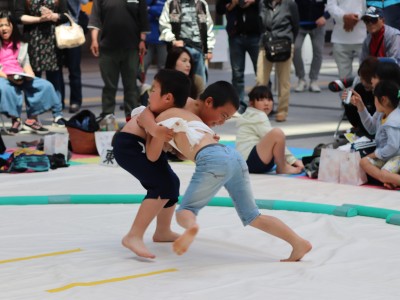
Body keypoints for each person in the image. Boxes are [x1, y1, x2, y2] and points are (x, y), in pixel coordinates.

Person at [151, 108, 312, 261]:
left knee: (185, 211)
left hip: (212, 158)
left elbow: (153, 155)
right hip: (233, 155)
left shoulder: (161, 119)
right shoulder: (191, 116)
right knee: (253, 216)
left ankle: (191, 226)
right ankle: (298, 242)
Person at [113, 69, 191, 259]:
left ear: (167, 98)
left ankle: (162, 231)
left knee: (172, 183)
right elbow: (152, 155)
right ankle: (134, 235)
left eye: (154, 89)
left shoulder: (172, 116)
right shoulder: (154, 115)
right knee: (161, 185)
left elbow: (177, 152)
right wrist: (157, 132)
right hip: (129, 146)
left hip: (138, 146)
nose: (150, 93)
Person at [0, 10, 63, 135]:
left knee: (45, 85)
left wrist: (30, 76)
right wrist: (8, 77)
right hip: (4, 76)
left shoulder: (21, 43)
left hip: (20, 75)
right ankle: (15, 120)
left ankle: (31, 120)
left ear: (13, 26)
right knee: (6, 88)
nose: (3, 28)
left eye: (6, 25)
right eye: (1, 25)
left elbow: (26, 63)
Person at [88, 0, 150, 122]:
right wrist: (94, 40)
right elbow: (95, 19)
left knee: (131, 86)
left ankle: (132, 117)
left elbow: (143, 19)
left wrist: (142, 40)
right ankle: (107, 116)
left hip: (132, 47)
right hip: (107, 48)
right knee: (109, 86)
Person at [14, 0, 68, 128]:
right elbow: (18, 17)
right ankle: (32, 116)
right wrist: (40, 19)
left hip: (53, 41)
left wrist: (53, 16)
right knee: (32, 79)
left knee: (55, 79)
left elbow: (65, 15)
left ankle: (57, 114)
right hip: (32, 40)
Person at [236, 85, 304, 174]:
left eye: (269, 99)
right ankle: (282, 167)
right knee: (277, 133)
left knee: (275, 138)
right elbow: (275, 138)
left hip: (247, 162)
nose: (266, 103)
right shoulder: (258, 115)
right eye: (261, 100)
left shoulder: (250, 114)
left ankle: (284, 165)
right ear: (251, 103)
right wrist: (293, 160)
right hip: (250, 162)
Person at [350, 80, 400, 188]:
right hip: (386, 154)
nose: (374, 102)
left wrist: (375, 154)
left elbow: (393, 146)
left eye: (375, 98)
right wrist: (360, 106)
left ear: (383, 100)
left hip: (397, 156)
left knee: (384, 173)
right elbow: (371, 128)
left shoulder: (393, 121)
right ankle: (389, 180)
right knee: (363, 162)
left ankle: (387, 178)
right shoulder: (382, 113)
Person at [257, 0, 299, 122]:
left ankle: (282, 110)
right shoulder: (262, 3)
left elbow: (295, 25)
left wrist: (289, 40)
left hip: (284, 44)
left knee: (284, 81)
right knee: (260, 79)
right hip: (266, 44)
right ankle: (260, 111)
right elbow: (260, 24)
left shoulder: (290, 4)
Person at [159, 0, 215, 85]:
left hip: (199, 49)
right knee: (179, 83)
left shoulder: (201, 3)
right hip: (181, 50)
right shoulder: (171, 3)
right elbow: (164, 25)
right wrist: (173, 41)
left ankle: (198, 98)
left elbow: (209, 26)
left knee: (200, 84)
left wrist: (209, 49)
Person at [216, 0, 260, 108]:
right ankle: (239, 105)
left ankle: (263, 101)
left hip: (255, 34)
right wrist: (234, 3)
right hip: (235, 36)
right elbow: (219, 9)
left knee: (261, 72)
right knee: (237, 74)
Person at [293, 0, 330, 93]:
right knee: (295, 49)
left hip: (318, 26)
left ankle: (314, 80)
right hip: (300, 25)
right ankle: (301, 79)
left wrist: (325, 17)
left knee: (318, 51)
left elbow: (332, 5)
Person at [60, 0, 88, 114]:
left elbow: (85, 2)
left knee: (74, 70)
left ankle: (75, 101)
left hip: (73, 31)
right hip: (56, 31)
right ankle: (58, 102)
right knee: (56, 71)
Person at [326, 0, 366, 79]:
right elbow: (331, 6)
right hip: (340, 37)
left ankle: (362, 91)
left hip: (362, 37)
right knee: (344, 76)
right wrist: (344, 16)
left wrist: (356, 17)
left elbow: (367, 5)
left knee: (365, 73)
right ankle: (346, 91)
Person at [143, 0, 168, 75]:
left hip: (162, 39)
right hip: (149, 38)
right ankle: (139, 83)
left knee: (163, 65)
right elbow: (142, 12)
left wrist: (150, 9)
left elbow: (164, 12)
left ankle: (162, 84)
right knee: (144, 64)